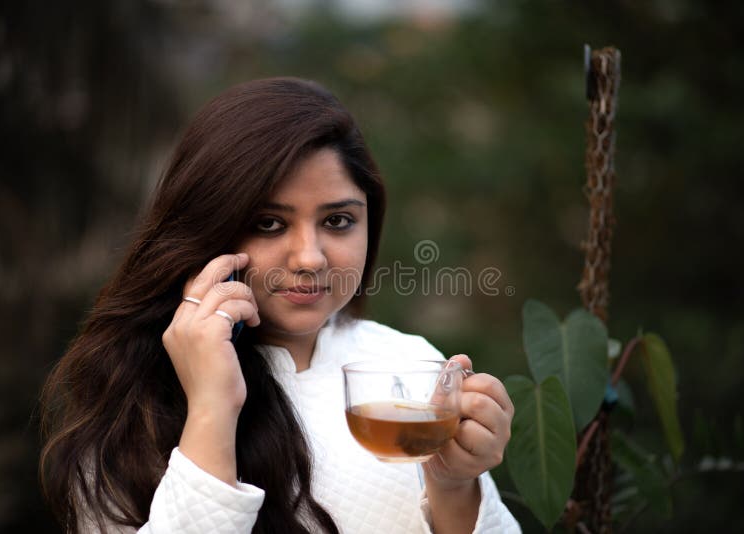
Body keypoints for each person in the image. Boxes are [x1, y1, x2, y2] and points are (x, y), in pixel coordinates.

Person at [39, 77, 520, 533]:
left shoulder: (408, 363)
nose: (310, 257)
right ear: (207, 228)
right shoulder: (131, 402)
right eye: (269, 223)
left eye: (337, 221)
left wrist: (454, 485)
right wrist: (212, 407)